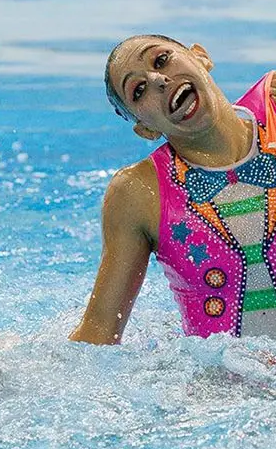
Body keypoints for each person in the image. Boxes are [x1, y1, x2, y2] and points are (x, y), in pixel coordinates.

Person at [73, 34, 276, 343]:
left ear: (200, 57)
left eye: (161, 60)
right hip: (226, 384)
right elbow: (99, 330)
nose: (157, 79)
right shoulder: (139, 193)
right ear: (146, 128)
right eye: (138, 91)